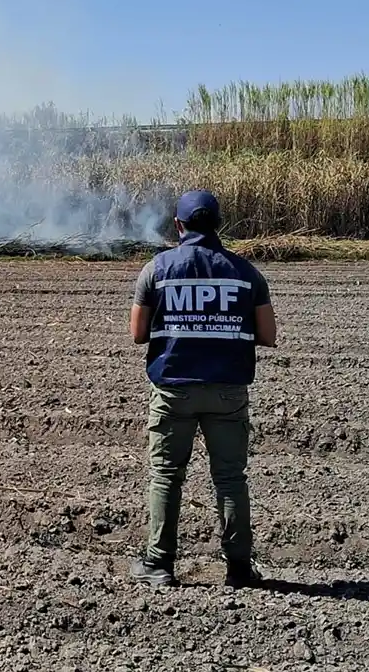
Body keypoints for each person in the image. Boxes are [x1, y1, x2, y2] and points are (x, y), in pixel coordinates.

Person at [127, 189, 277, 589]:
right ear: (218, 224)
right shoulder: (247, 273)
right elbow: (268, 334)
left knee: (166, 475)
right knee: (230, 479)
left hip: (174, 389)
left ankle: (158, 564)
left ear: (178, 225)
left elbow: (138, 334)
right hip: (228, 391)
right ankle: (240, 569)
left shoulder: (156, 270)